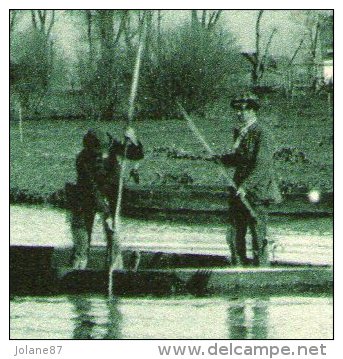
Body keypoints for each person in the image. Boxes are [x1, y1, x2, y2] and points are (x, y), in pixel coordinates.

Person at [216, 94, 282, 266]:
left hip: (257, 191)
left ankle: (261, 271)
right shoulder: (240, 132)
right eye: (237, 109)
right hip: (238, 189)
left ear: (253, 110)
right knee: (234, 232)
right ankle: (237, 267)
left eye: (243, 109)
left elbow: (262, 165)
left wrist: (246, 186)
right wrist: (222, 159)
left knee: (257, 234)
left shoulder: (262, 133)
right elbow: (240, 159)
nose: (239, 113)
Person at [65, 127, 144, 270]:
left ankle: (115, 267)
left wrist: (132, 138)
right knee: (82, 237)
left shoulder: (112, 145)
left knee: (113, 233)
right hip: (86, 198)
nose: (101, 153)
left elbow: (136, 154)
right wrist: (105, 212)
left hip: (112, 193)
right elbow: (92, 190)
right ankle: (78, 267)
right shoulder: (83, 160)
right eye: (97, 151)